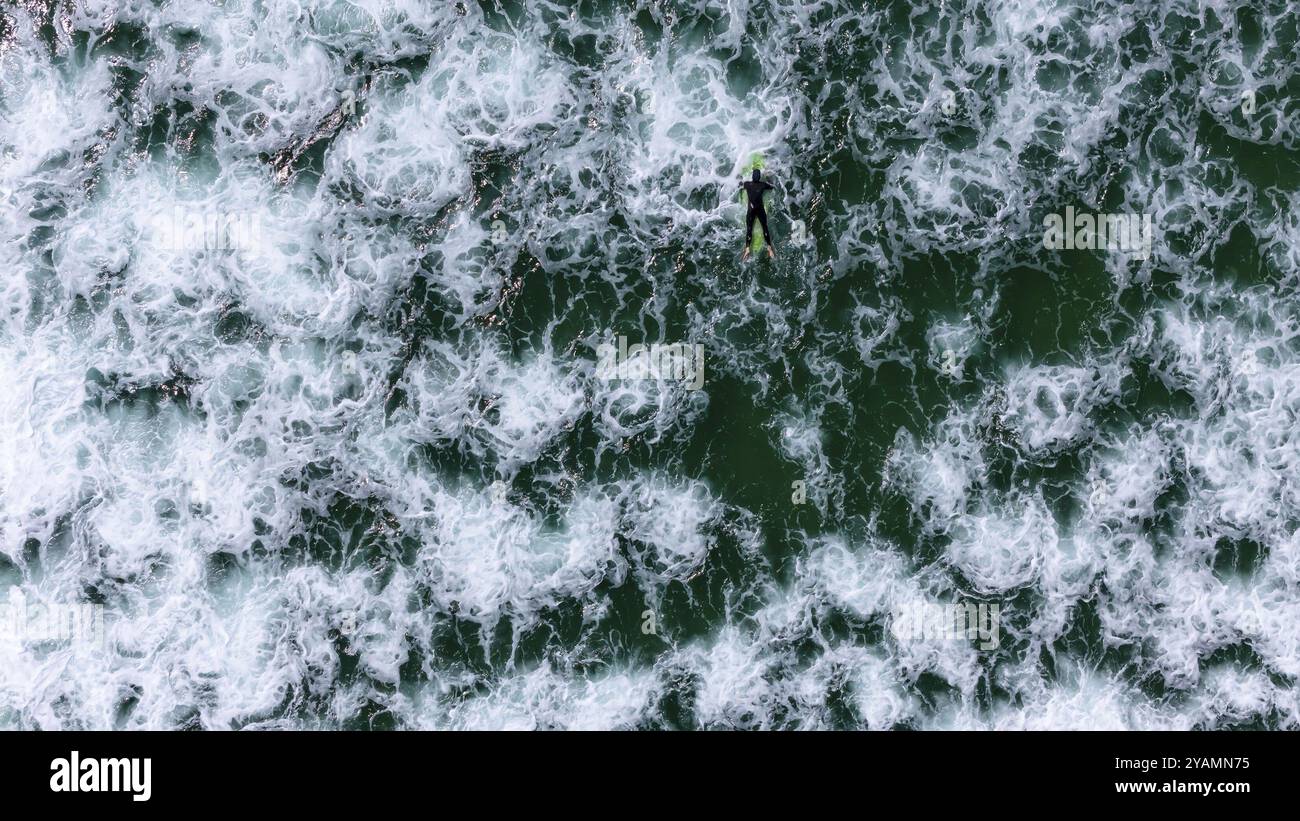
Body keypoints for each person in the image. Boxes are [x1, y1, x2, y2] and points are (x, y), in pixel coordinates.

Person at [740, 168, 775, 260]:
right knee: (765, 228)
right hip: (760, 210)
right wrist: (768, 177)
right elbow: (772, 186)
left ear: (752, 177)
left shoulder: (747, 184)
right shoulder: (763, 185)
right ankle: (769, 248)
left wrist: (740, 177)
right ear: (759, 177)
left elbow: (739, 185)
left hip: (751, 211)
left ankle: (747, 249)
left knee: (749, 229)